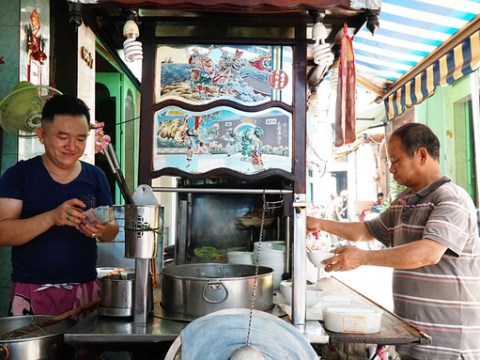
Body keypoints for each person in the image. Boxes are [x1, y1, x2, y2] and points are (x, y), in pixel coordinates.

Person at [307, 123, 480, 360]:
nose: (390, 170)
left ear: (421, 155)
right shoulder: (404, 201)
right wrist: (320, 223)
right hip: (412, 338)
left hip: (448, 347)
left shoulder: (451, 199)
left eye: (396, 161)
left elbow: (428, 253)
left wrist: (363, 257)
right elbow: (367, 231)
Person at [0, 94, 119, 318]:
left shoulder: (95, 176)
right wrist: (52, 217)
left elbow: (111, 230)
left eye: (81, 139)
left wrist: (102, 230)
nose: (72, 146)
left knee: (83, 353)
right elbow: (2, 232)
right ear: (41, 135)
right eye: (62, 137)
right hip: (31, 290)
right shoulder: (19, 175)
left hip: (85, 291)